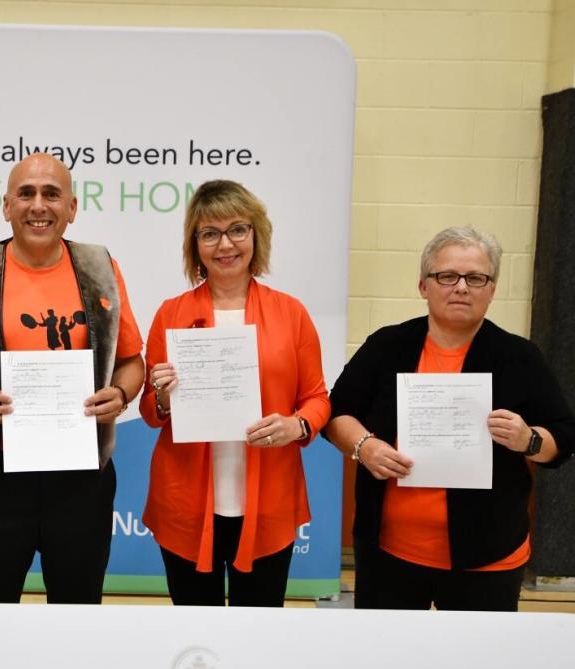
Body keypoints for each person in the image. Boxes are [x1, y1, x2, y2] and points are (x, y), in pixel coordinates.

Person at [0, 153, 144, 603]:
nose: (38, 205)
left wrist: (119, 394)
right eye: (26, 193)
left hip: (81, 480)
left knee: (78, 610)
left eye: (51, 194)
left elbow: (132, 362)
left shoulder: (101, 266)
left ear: (72, 208)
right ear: (6, 206)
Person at [324, 226, 575, 611]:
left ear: (491, 290)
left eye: (476, 278)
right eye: (447, 276)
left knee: (476, 668)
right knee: (389, 664)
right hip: (390, 554)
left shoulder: (520, 357)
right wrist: (364, 446)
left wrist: (529, 440)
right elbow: (337, 412)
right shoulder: (386, 346)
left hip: (489, 556)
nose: (461, 287)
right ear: (424, 285)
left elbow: (564, 435)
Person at [140, 180, 330, 606]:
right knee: (194, 632)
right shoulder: (170, 313)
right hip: (186, 504)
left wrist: (296, 424)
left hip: (268, 505)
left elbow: (318, 398)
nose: (225, 244)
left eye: (237, 230)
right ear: (196, 245)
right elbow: (150, 412)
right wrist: (164, 397)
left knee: (259, 632)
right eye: (209, 233)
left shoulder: (291, 313)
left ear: (255, 235)